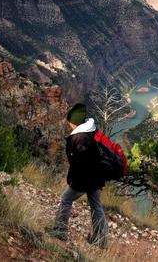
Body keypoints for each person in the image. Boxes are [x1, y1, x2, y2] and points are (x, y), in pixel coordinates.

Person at [45, 103, 109, 248]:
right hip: (97, 176)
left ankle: (60, 230)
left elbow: (80, 163)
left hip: (85, 178)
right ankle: (102, 240)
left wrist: (74, 181)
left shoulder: (80, 138)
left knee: (66, 199)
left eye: (70, 123)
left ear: (75, 123)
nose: (69, 126)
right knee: (96, 206)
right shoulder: (92, 131)